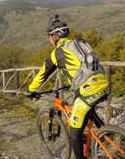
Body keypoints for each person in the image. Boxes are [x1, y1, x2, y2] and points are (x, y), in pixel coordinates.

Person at [27, 15, 109, 159]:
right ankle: (103, 135)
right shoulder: (80, 43)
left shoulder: (57, 53)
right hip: (102, 83)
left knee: (74, 135)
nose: (49, 40)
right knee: (86, 112)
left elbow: (42, 74)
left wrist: (31, 90)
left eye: (50, 37)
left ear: (55, 37)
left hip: (87, 90)